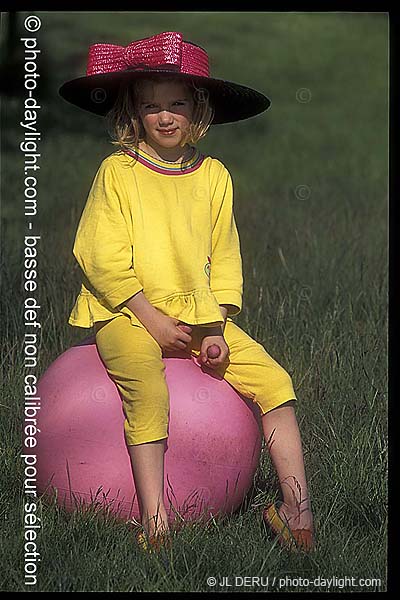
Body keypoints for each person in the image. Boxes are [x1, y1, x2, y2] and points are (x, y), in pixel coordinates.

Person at [60, 31, 314, 553]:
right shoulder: (119, 173)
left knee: (275, 381)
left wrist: (217, 326)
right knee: (149, 392)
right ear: (135, 113)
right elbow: (99, 254)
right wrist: (148, 317)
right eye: (151, 107)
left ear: (198, 110)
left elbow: (224, 257)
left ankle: (297, 513)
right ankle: (156, 523)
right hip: (126, 313)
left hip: (199, 315)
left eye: (177, 104)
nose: (165, 116)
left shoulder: (214, 177)